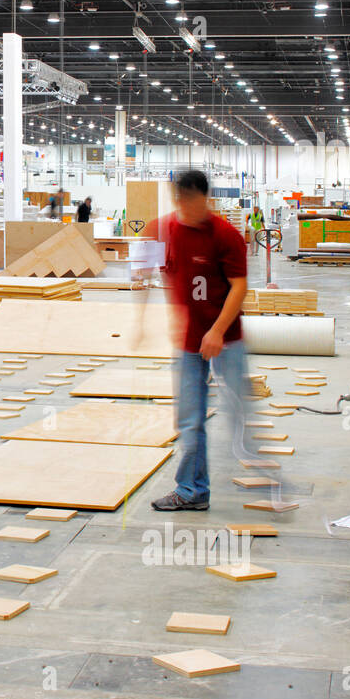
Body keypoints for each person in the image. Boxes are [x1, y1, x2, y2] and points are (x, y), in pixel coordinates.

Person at [146, 170, 250, 511]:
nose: (186, 209)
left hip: (226, 338)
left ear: (206, 199)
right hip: (190, 343)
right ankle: (192, 491)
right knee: (190, 420)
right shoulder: (168, 230)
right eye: (181, 202)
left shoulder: (226, 235)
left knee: (239, 414)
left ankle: (263, 474)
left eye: (193, 202)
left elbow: (239, 287)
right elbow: (154, 269)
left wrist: (217, 331)